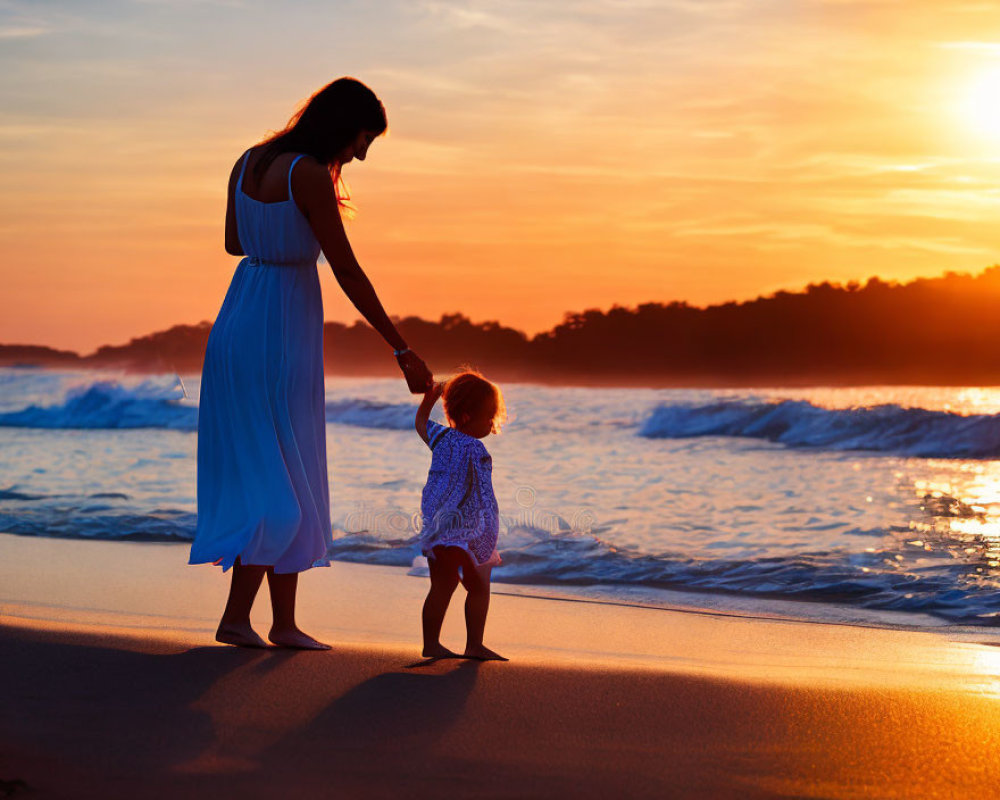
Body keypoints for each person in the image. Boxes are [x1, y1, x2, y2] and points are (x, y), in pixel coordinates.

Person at [189, 77, 433, 650]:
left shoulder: (246, 160)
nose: (362, 153)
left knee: (277, 465)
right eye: (362, 139)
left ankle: (281, 622)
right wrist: (401, 348)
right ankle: (242, 619)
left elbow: (232, 241)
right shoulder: (308, 173)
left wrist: (272, 237)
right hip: (282, 320)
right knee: (287, 466)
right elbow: (346, 269)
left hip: (239, 312)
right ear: (340, 126)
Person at [415, 371, 508, 661]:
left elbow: (419, 424)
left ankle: (431, 644)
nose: (492, 425)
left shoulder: (440, 437)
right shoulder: (476, 449)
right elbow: (482, 495)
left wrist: (428, 401)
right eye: (488, 417)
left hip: (438, 528)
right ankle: (474, 645)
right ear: (467, 416)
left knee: (442, 586)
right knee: (479, 587)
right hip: (467, 533)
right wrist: (488, 531)